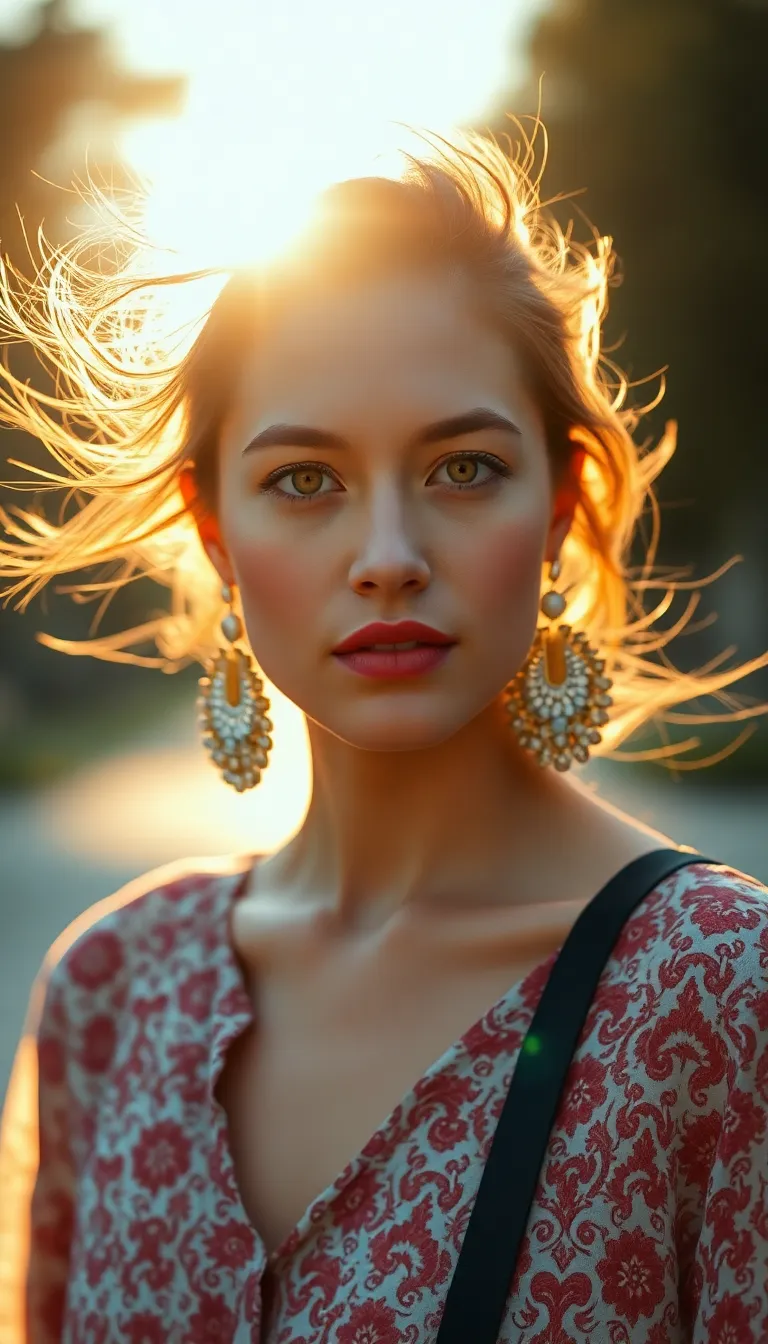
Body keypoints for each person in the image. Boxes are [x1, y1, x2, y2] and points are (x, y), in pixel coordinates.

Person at [0, 124, 767, 1343]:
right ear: (214, 532)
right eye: (305, 481)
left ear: (561, 500)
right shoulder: (109, 991)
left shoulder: (722, 993)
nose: (390, 559)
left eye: (464, 469)